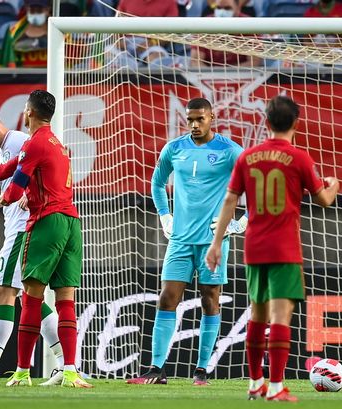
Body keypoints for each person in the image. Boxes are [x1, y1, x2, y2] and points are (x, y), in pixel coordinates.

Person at [0, 90, 92, 388]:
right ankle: (66, 365)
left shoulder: (20, 142)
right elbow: (2, 197)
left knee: (4, 294)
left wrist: (22, 193)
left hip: (29, 227)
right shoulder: (15, 149)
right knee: (34, 298)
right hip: (57, 220)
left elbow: (17, 186)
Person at [206, 95, 339, 401]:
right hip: (284, 249)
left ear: (266, 122)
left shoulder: (247, 157)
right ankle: (276, 387)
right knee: (280, 318)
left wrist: (216, 242)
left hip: (254, 248)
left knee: (257, 315)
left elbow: (229, 201)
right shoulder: (300, 158)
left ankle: (255, 383)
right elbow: (324, 200)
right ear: (296, 123)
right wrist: (334, 184)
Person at [127, 98, 247, 386]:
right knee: (167, 298)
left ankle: (202, 371)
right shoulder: (174, 148)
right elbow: (157, 183)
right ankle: (156, 370)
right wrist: (165, 216)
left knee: (210, 300)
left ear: (212, 118)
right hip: (179, 239)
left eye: (200, 119)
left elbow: (253, 184)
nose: (194, 124)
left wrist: (242, 222)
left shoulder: (230, 151)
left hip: (213, 242)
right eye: (190, 119)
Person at [190, 0, 262, 68]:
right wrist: (214, 76)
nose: (222, 12)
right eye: (218, 8)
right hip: (208, 76)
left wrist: (228, 75)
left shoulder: (250, 26)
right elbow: (195, 61)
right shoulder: (203, 25)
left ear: (238, 9)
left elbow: (255, 62)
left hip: (244, 76)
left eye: (227, 8)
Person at [0, 0, 50, 68]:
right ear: (26, 9)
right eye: (32, 10)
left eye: (39, 10)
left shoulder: (56, 34)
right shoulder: (13, 33)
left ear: (47, 10)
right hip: (20, 77)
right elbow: (6, 61)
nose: (35, 14)